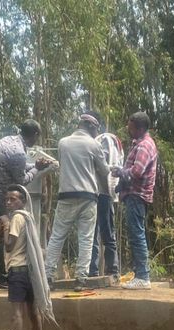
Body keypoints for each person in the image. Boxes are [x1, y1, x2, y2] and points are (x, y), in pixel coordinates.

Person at [0, 120, 51, 290]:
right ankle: (1, 278)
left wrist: (35, 165)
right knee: (3, 232)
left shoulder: (8, 140)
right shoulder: (18, 153)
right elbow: (21, 180)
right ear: (35, 135)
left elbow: (18, 167)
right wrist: (37, 170)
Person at [44, 114, 110, 291]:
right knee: (86, 238)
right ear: (90, 127)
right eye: (96, 130)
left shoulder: (63, 143)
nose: (96, 133)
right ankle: (80, 279)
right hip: (88, 197)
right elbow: (104, 171)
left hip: (66, 195)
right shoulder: (94, 145)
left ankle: (48, 277)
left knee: (57, 237)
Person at [1, 185, 56, 330]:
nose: (8, 202)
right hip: (30, 272)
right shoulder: (29, 217)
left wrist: (6, 225)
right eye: (7, 199)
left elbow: (9, 245)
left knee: (17, 313)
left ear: (22, 201)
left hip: (17, 271)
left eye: (13, 199)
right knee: (34, 312)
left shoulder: (17, 218)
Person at [112, 112, 158, 290]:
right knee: (135, 234)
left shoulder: (144, 146)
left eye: (130, 127)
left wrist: (119, 172)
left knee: (137, 235)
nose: (127, 130)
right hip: (134, 196)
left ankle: (143, 277)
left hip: (137, 196)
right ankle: (140, 274)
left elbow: (137, 171)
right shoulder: (139, 145)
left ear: (139, 128)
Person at [89, 125, 124, 282]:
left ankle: (112, 271)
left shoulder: (104, 140)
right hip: (96, 192)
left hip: (102, 192)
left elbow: (103, 163)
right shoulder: (103, 140)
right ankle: (93, 271)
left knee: (106, 232)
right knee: (92, 233)